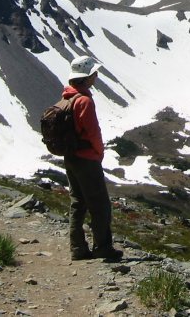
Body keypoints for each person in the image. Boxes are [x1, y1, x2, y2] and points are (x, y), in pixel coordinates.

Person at [62, 55, 123, 261]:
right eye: (94, 74)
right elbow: (92, 132)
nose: (96, 77)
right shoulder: (84, 101)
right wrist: (98, 153)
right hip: (87, 159)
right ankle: (103, 248)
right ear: (87, 77)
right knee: (100, 205)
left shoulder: (66, 98)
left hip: (70, 157)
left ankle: (77, 247)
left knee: (78, 202)